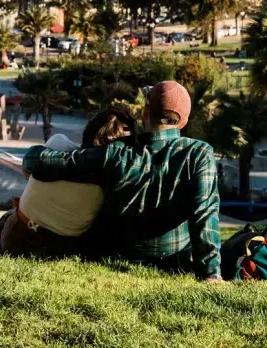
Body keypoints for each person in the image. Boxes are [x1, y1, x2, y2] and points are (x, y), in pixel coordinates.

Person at [21, 81, 223, 282]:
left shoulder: (116, 155)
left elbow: (37, 160)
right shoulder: (199, 154)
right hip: (173, 261)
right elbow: (205, 216)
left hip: (117, 257)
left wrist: (36, 158)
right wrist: (211, 274)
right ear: (182, 122)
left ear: (145, 112)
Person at [0, 107, 137, 257]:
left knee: (12, 213)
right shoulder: (114, 182)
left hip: (16, 241)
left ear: (88, 131)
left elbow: (28, 170)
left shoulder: (58, 144)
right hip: (62, 250)